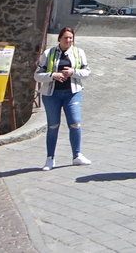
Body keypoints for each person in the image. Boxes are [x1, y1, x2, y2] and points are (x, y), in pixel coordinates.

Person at [33, 27, 92, 170]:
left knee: (75, 123)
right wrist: (52, 75)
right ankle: (50, 158)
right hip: (51, 95)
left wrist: (73, 72)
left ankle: (77, 155)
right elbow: (37, 75)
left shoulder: (79, 53)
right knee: (53, 126)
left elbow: (87, 72)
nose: (68, 40)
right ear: (59, 39)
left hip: (72, 93)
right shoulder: (49, 53)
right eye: (65, 37)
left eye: (71, 38)